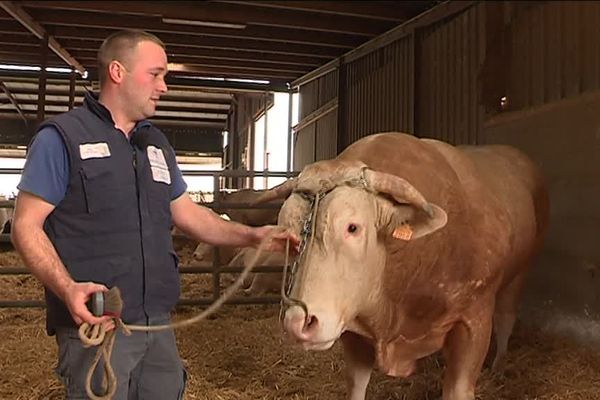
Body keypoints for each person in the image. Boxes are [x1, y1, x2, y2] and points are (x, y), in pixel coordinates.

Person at [11, 29, 298, 399]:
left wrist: (254, 236)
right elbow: (25, 226)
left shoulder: (155, 144)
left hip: (156, 324)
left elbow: (188, 214)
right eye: (156, 74)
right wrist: (68, 289)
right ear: (118, 72)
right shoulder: (61, 138)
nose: (163, 87)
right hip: (100, 322)